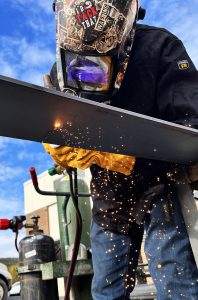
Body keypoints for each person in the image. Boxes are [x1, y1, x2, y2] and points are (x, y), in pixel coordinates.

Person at [43, 1, 198, 299]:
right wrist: (60, 147)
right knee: (106, 289)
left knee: (175, 279)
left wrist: (128, 152)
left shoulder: (158, 46)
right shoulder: (63, 68)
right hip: (109, 194)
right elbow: (65, 130)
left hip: (158, 184)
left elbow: (189, 123)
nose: (91, 68)